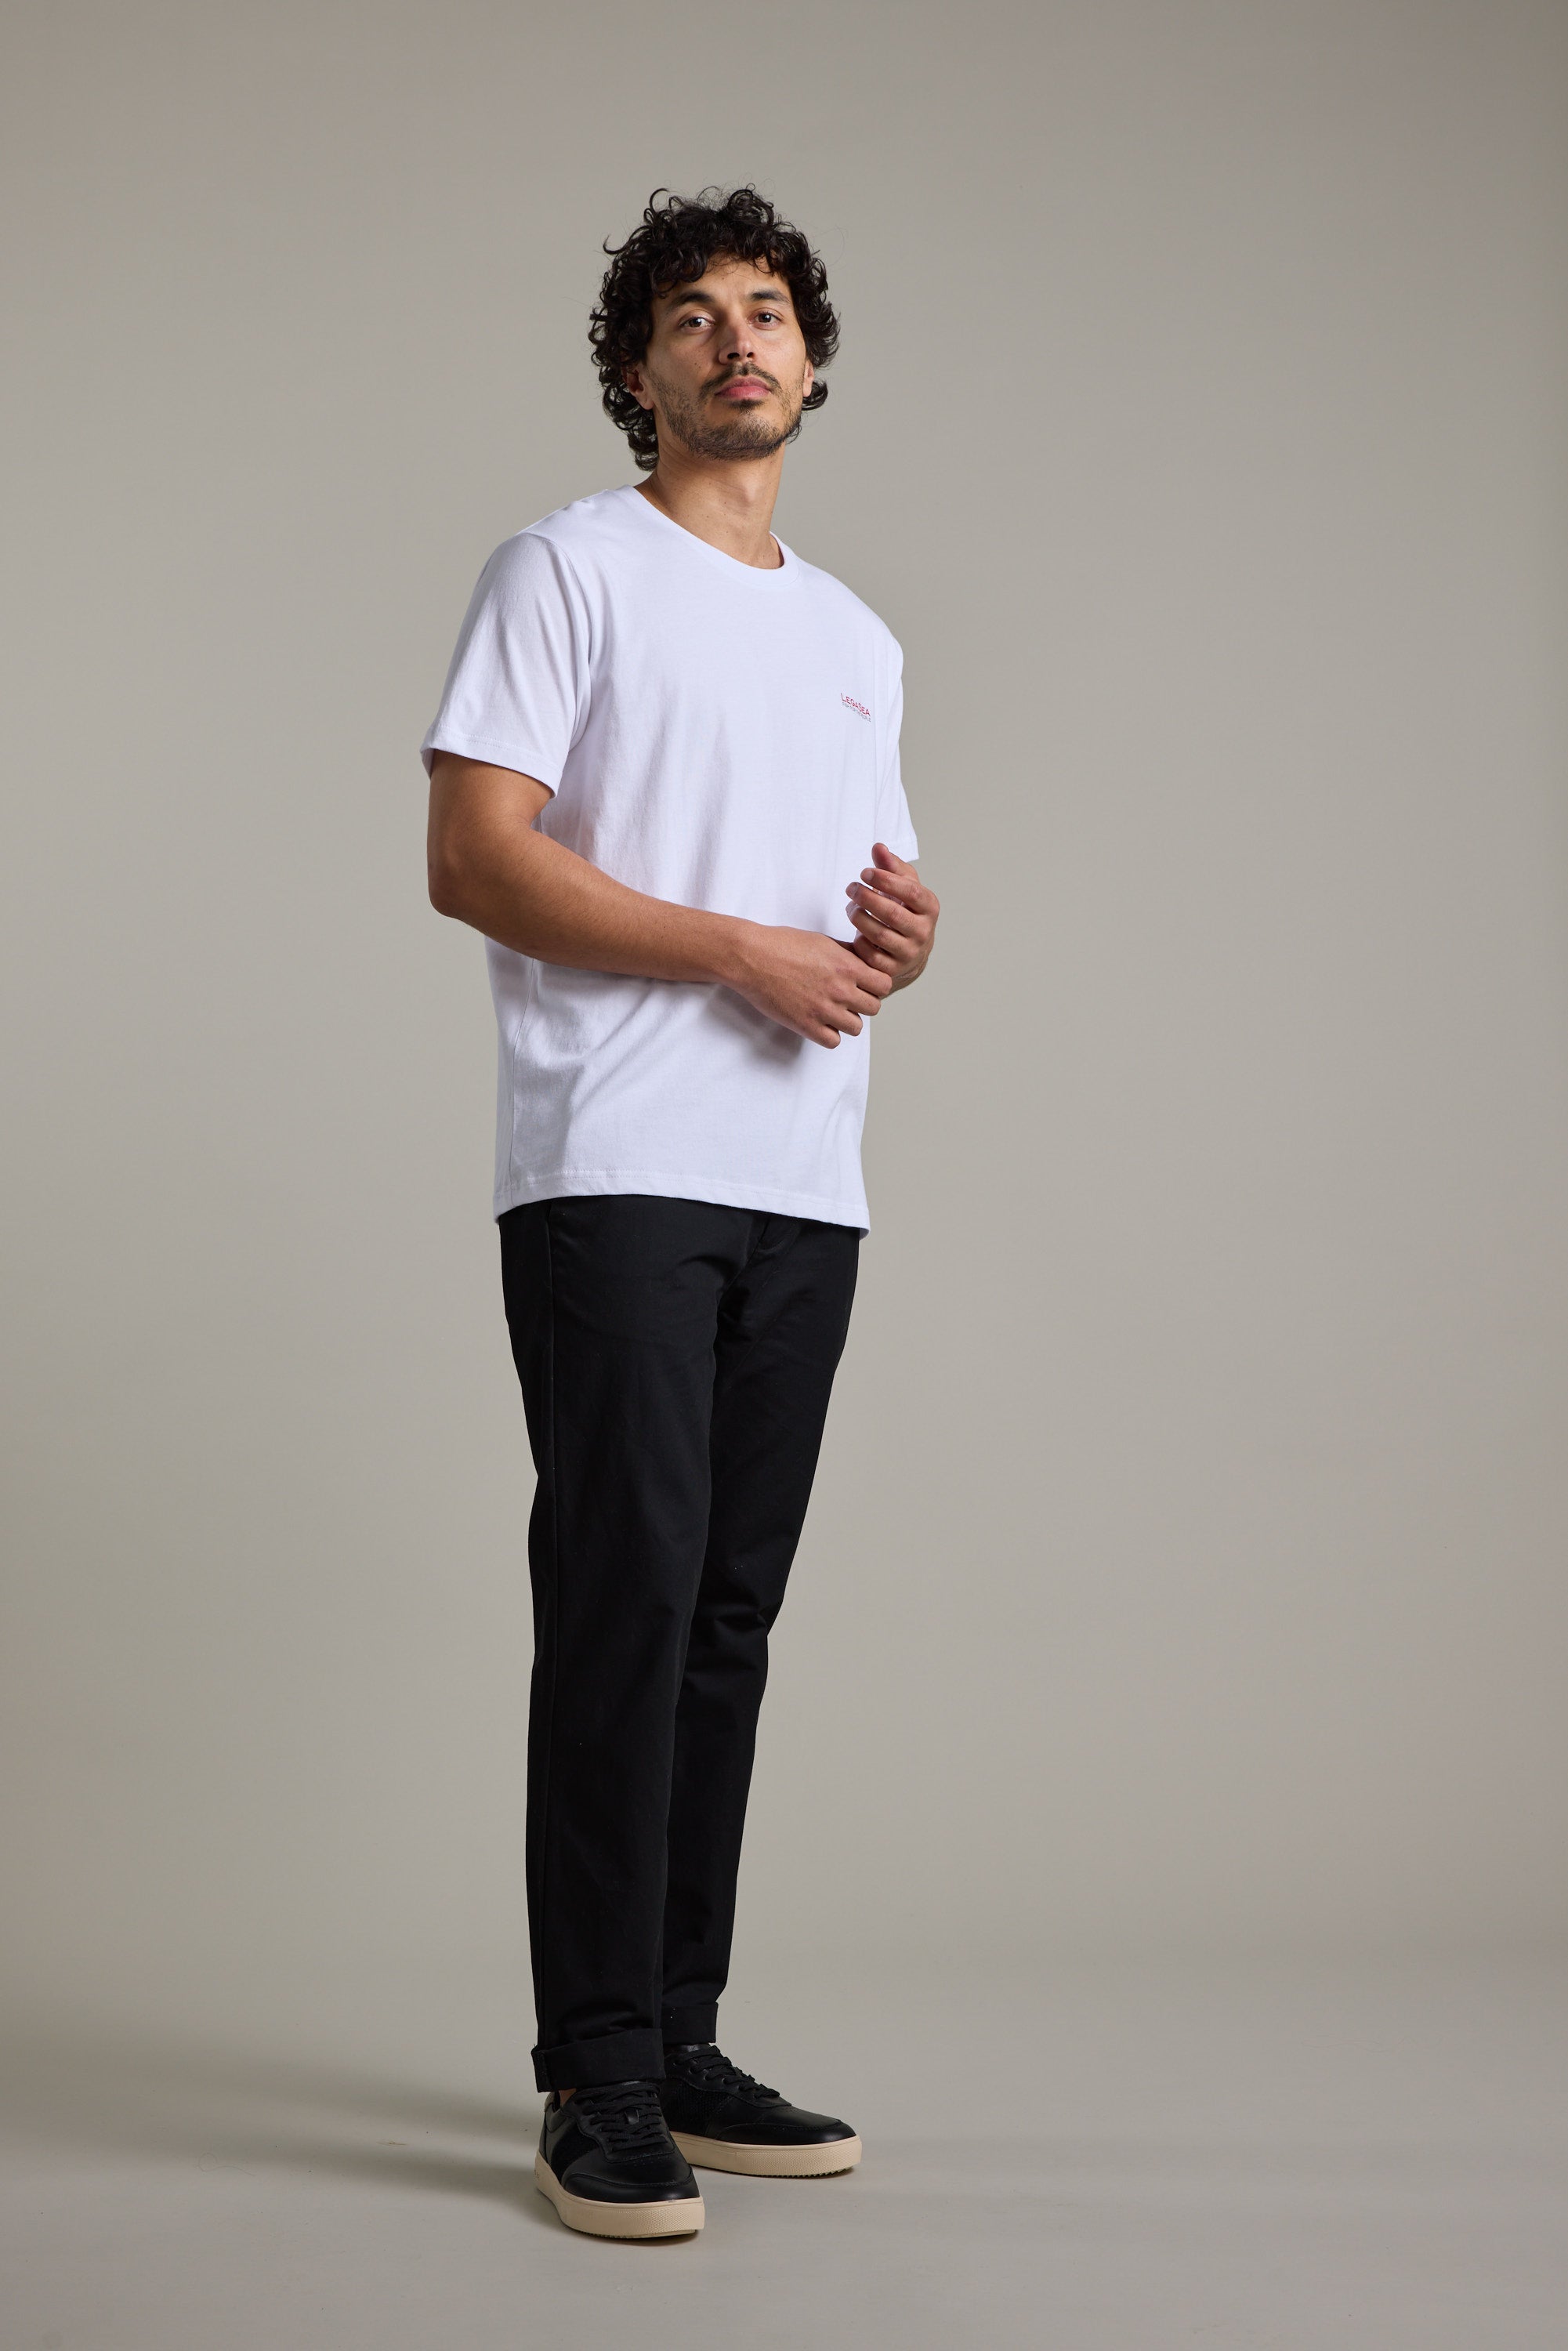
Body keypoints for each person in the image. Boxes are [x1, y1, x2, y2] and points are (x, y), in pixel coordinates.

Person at [421, 185, 939, 2241]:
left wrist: (899, 938)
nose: (741, 341)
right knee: (625, 1601)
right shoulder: (567, 567)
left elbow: (849, 915)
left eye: (771, 311)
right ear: (638, 371)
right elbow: (476, 857)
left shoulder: (858, 639)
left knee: (725, 1617)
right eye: (696, 316)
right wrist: (736, 951)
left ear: (810, 359)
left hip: (804, 1181)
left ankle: (684, 2037)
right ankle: (597, 2076)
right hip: (618, 1164)